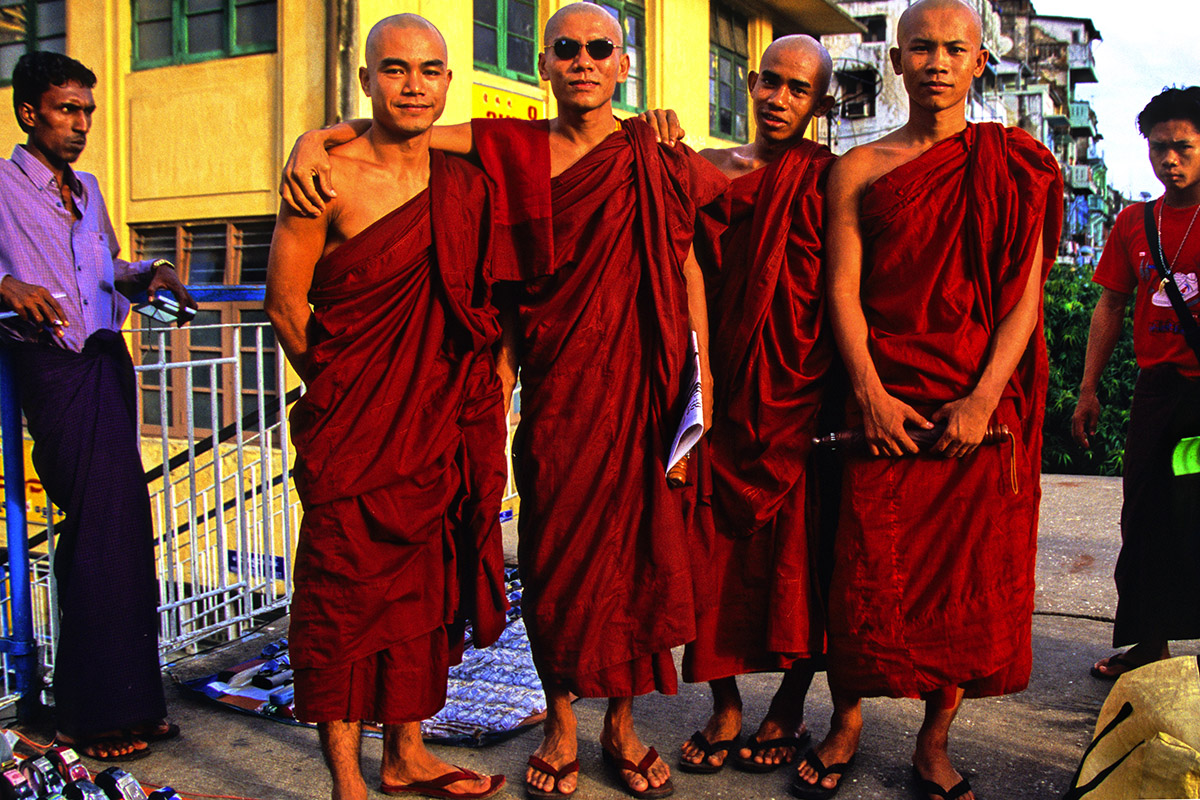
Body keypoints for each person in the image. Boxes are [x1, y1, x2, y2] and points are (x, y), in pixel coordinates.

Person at [279, 5, 726, 797]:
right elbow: (393, 139)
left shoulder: (655, 153)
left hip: (643, 391)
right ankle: (558, 724)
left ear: (623, 64)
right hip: (552, 386)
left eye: (600, 49)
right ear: (544, 66)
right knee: (553, 557)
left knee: (639, 556)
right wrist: (313, 139)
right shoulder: (510, 147)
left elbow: (685, 259)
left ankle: (618, 727)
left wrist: (704, 381)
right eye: (565, 49)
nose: (582, 61)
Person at [809, 2, 1061, 798]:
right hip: (886, 402)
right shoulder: (858, 167)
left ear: (979, 62)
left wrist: (985, 398)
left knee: (963, 580)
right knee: (865, 572)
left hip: (975, 411)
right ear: (897, 59)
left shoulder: (1016, 163)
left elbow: (1027, 297)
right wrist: (871, 396)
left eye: (956, 48)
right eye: (923, 48)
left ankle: (934, 739)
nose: (939, 62)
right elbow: (840, 291)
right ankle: (846, 721)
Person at [264, 15, 508, 800]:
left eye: (430, 70)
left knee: (423, 592)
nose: (413, 84)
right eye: (395, 69)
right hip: (356, 427)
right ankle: (348, 780)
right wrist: (345, 389)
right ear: (366, 79)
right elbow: (286, 304)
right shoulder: (327, 175)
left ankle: (407, 754)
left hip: (438, 424)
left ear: (447, 82)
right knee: (343, 592)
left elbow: (563, 148)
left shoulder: (466, 173)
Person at [0, 51, 190, 759]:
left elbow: (103, 269)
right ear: (29, 112)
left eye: (87, 111)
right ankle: (85, 715)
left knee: (125, 530)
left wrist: (150, 271)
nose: (81, 125)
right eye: (66, 110)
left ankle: (132, 705)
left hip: (108, 357)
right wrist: (6, 288)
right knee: (94, 530)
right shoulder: (1, 186)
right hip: (54, 365)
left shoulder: (87, 187)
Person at [675, 35, 837, 778]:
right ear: (749, 81)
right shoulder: (704, 169)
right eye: (769, 81)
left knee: (802, 560)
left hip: (801, 391)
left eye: (797, 89)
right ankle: (726, 704)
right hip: (720, 390)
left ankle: (790, 703)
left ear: (819, 104)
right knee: (710, 555)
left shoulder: (831, 178)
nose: (778, 98)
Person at [1072, 86, 1200, 681]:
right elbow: (1110, 305)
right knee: (1145, 515)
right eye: (1158, 150)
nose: (1170, 161)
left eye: (1183, 148)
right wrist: (1088, 387)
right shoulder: (1134, 221)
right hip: (1158, 393)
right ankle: (1150, 645)